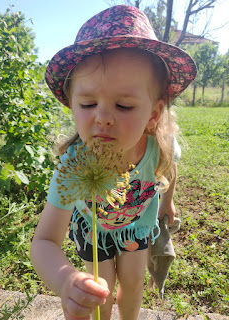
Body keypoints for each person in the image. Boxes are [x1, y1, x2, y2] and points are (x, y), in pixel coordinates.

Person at [30, 5, 197, 320]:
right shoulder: (73, 167)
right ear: (72, 105)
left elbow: (170, 171)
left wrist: (168, 204)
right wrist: (66, 279)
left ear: (154, 114)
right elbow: (44, 241)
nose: (103, 118)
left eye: (123, 105)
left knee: (133, 286)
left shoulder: (162, 149)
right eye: (88, 103)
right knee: (100, 292)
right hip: (94, 231)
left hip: (137, 227)